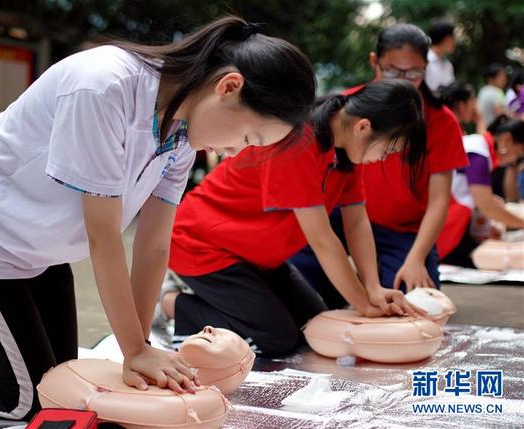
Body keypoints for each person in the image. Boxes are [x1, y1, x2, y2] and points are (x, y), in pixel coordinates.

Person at [0, 16, 316, 420]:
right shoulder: (104, 86)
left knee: (61, 374)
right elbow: (104, 237)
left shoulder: (183, 133)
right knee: (28, 398)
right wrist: (134, 349)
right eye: (247, 136)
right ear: (228, 86)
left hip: (40, 244)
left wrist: (140, 347)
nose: (238, 151)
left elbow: (152, 244)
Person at [158, 80, 427, 356]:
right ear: (363, 127)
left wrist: (373, 288)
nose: (384, 159)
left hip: (256, 255)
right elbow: (322, 240)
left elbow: (357, 222)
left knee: (313, 325)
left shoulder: (347, 152)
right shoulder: (300, 142)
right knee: (275, 339)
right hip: (203, 246)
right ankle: (171, 303)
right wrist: (363, 304)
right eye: (388, 150)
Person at [291, 23, 468, 309]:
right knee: (308, 294)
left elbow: (439, 202)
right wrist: (362, 296)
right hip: (338, 218)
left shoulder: (442, 121)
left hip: (401, 230)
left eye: (414, 73)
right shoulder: (345, 111)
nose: (404, 80)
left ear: (426, 67)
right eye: (393, 71)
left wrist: (415, 258)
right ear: (375, 62)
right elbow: (332, 224)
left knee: (417, 304)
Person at [437, 86, 524, 266]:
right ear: (507, 140)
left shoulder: (478, 149)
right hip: (444, 225)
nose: (516, 159)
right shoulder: (478, 152)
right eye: (520, 152)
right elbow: (487, 207)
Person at [424, 20, 456, 94]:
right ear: (447, 39)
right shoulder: (425, 62)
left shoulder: (448, 65)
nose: (454, 42)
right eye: (453, 38)